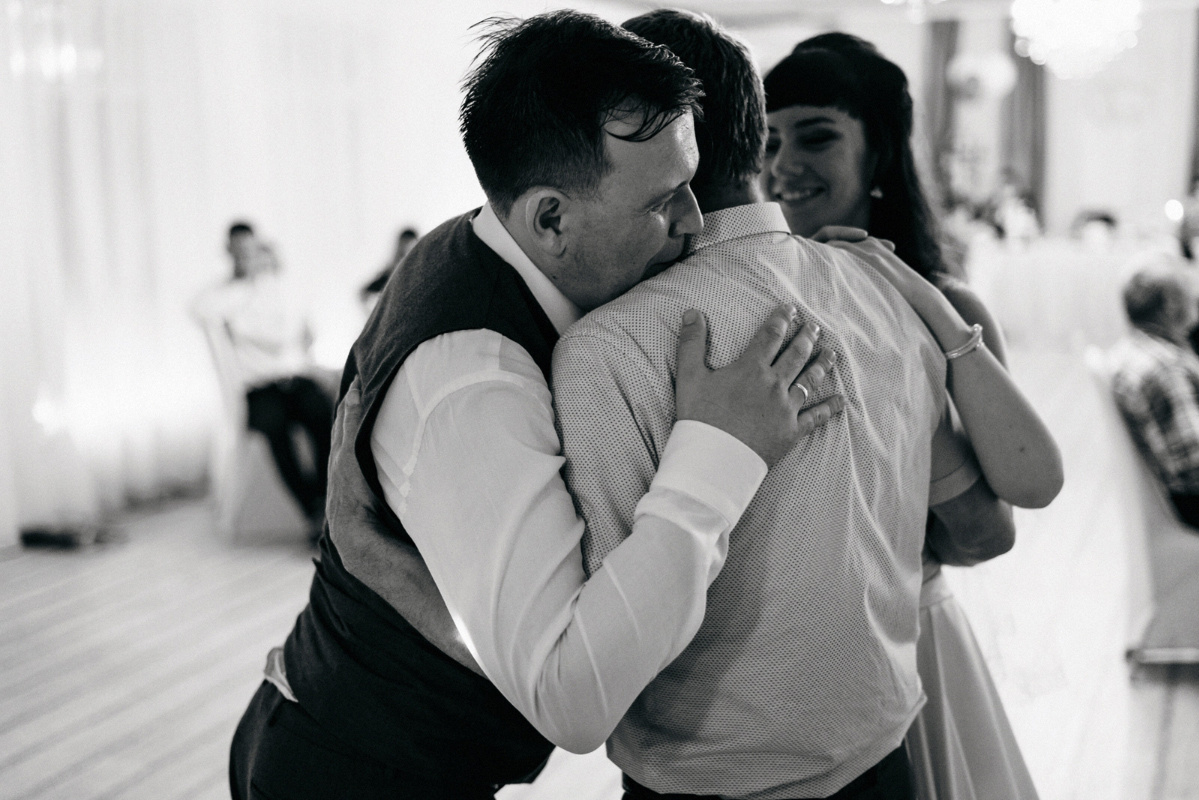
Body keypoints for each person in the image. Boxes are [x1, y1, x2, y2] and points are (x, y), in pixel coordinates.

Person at [229, 13, 844, 799]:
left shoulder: (484, 241)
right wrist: (718, 452)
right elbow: (570, 698)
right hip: (356, 772)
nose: (695, 221)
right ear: (549, 218)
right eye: (664, 200)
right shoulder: (474, 382)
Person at [552, 12, 1061, 800]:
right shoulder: (886, 295)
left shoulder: (614, 347)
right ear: (757, 139)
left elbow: (613, 651)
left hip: (715, 778)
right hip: (883, 751)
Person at [760, 33, 1062, 800]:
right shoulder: (748, 296)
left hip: (909, 635)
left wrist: (921, 308)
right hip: (780, 664)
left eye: (817, 136)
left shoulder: (945, 306)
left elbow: (1000, 519)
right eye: (768, 140)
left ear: (880, 150)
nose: (784, 164)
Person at [192, 221, 333, 527]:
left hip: (295, 381)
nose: (248, 256)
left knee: (325, 414)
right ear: (229, 251)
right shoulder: (227, 295)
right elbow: (200, 309)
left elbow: (299, 334)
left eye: (252, 249)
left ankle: (325, 501)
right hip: (260, 389)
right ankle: (310, 507)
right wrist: (242, 282)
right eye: (240, 250)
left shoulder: (281, 289)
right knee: (275, 428)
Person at [1111, 263, 1199, 529]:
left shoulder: (1132, 349)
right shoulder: (1167, 368)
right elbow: (1194, 465)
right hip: (1190, 504)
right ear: (1172, 305)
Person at [360, 227, 419, 312]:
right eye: (406, 243)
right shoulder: (390, 271)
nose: (408, 247)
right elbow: (365, 294)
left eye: (411, 243)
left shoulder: (417, 270)